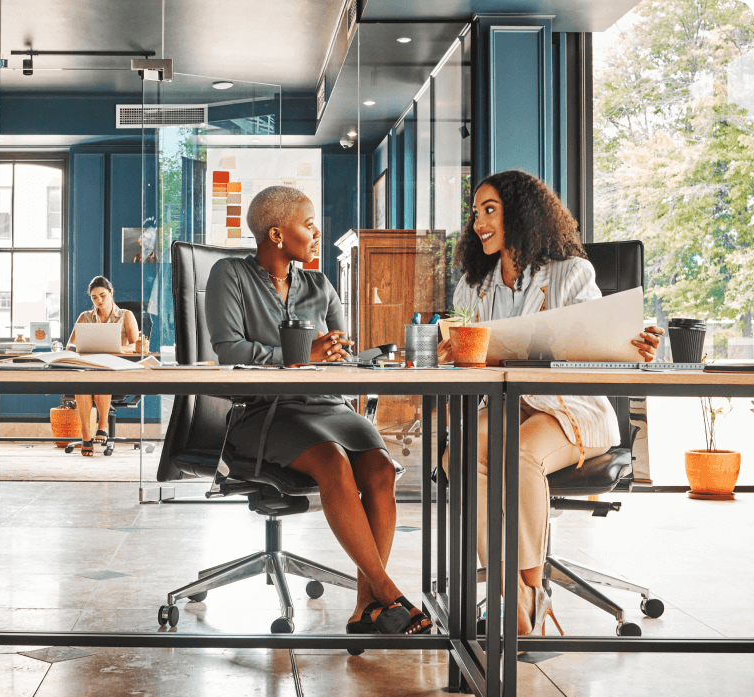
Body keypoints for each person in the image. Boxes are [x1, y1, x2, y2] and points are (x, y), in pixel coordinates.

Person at [440, 169, 664, 636]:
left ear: (519, 214)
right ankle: (511, 593)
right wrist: (453, 353)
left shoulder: (570, 273)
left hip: (568, 407)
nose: (478, 222)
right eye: (475, 212)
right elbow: (472, 354)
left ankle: (520, 596)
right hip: (510, 405)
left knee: (518, 455)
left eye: (489, 210)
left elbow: (603, 339)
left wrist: (635, 342)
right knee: (458, 452)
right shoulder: (473, 285)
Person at [206, 185, 431, 638]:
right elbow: (229, 349)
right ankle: (388, 594)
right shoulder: (229, 275)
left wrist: (343, 358)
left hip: (327, 404)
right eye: (307, 225)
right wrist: (300, 355)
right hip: (263, 412)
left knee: (381, 469)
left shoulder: (319, 284)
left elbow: (340, 355)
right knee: (331, 460)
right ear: (276, 234)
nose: (316, 232)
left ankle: (365, 607)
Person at [67, 276, 140, 457]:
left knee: (100, 375)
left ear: (111, 293)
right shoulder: (85, 317)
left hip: (114, 370)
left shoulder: (125, 315)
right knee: (84, 380)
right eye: (94, 297)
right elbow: (70, 345)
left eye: (102, 295)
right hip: (89, 367)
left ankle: (103, 425)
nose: (99, 300)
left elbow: (137, 346)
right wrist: (79, 350)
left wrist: (117, 348)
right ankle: (86, 436)